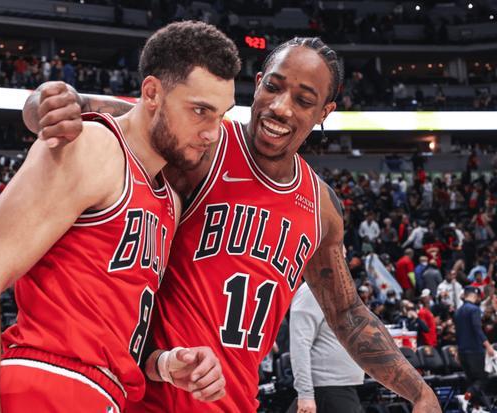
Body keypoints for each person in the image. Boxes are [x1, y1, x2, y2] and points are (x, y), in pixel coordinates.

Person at [29, 36, 440, 412]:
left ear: (324, 113)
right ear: (257, 85)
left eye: (303, 100)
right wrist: (52, 103)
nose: (280, 107)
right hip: (152, 396)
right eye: (273, 87)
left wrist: (419, 392)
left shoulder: (321, 207)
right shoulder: (204, 145)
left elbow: (346, 312)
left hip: (236, 401)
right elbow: (120, 115)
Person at [0, 21, 240, 413]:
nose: (212, 133)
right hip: (49, 383)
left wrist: (164, 364)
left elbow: (109, 337)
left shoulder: (169, 199)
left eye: (221, 115)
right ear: (152, 93)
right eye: (200, 111)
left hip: (104, 393)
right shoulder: (92, 146)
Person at [287, 282, 364, 413]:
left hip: (339, 387)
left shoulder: (336, 288)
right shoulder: (313, 290)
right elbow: (300, 345)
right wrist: (306, 394)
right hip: (328, 388)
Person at [454, 286, 494, 409]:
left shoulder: (458, 311)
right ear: (473, 295)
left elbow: (458, 333)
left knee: (472, 381)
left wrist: (457, 351)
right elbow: (477, 329)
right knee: (482, 379)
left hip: (463, 352)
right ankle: (466, 397)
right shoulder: (474, 309)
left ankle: (476, 408)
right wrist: (488, 346)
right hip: (474, 351)